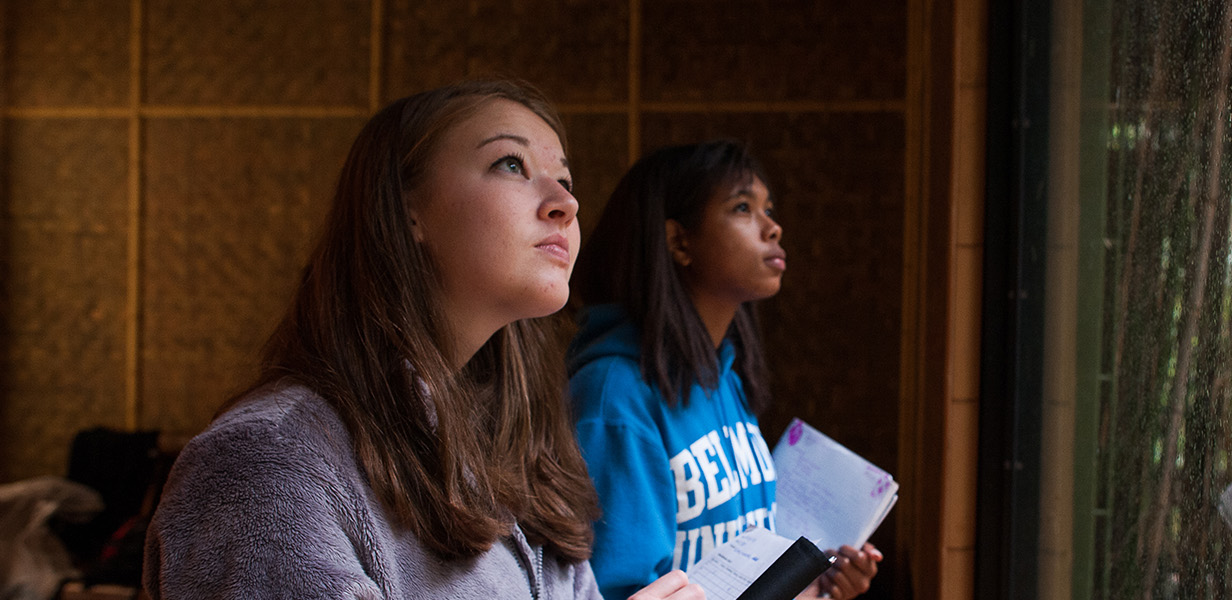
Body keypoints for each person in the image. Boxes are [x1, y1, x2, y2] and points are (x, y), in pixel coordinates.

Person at [141, 80, 703, 600]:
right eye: (511, 163)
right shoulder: (263, 465)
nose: (566, 201)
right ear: (409, 209)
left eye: (566, 179)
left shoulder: (522, 454)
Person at [567, 139, 883, 600]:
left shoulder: (725, 375)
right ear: (679, 241)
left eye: (768, 209)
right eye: (742, 208)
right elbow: (617, 590)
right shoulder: (614, 394)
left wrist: (815, 586)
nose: (772, 228)